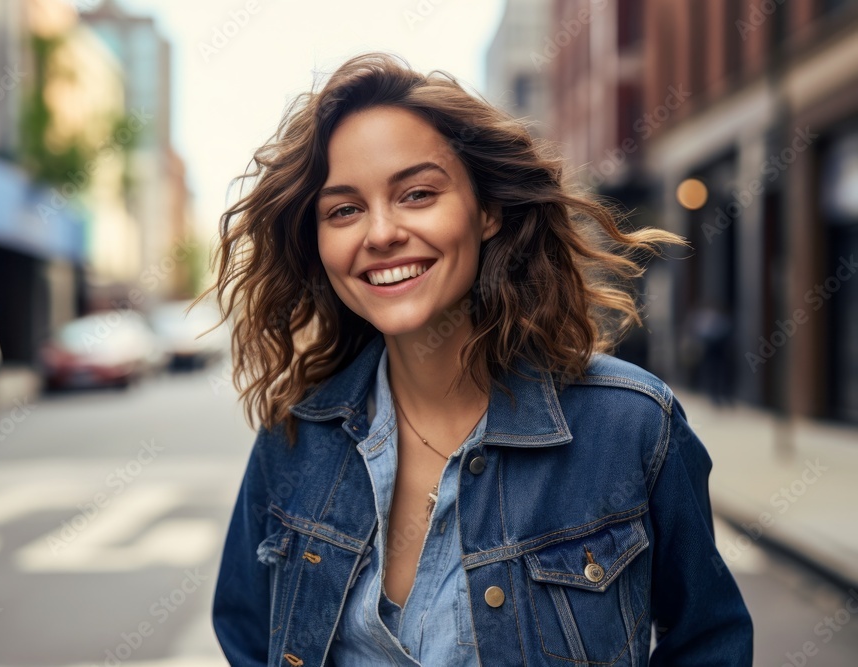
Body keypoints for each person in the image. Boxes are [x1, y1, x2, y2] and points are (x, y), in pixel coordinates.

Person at [204, 52, 753, 666]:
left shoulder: (630, 426)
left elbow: (709, 642)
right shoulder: (295, 442)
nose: (380, 232)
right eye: (344, 209)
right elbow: (248, 639)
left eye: (416, 194)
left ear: (486, 210)